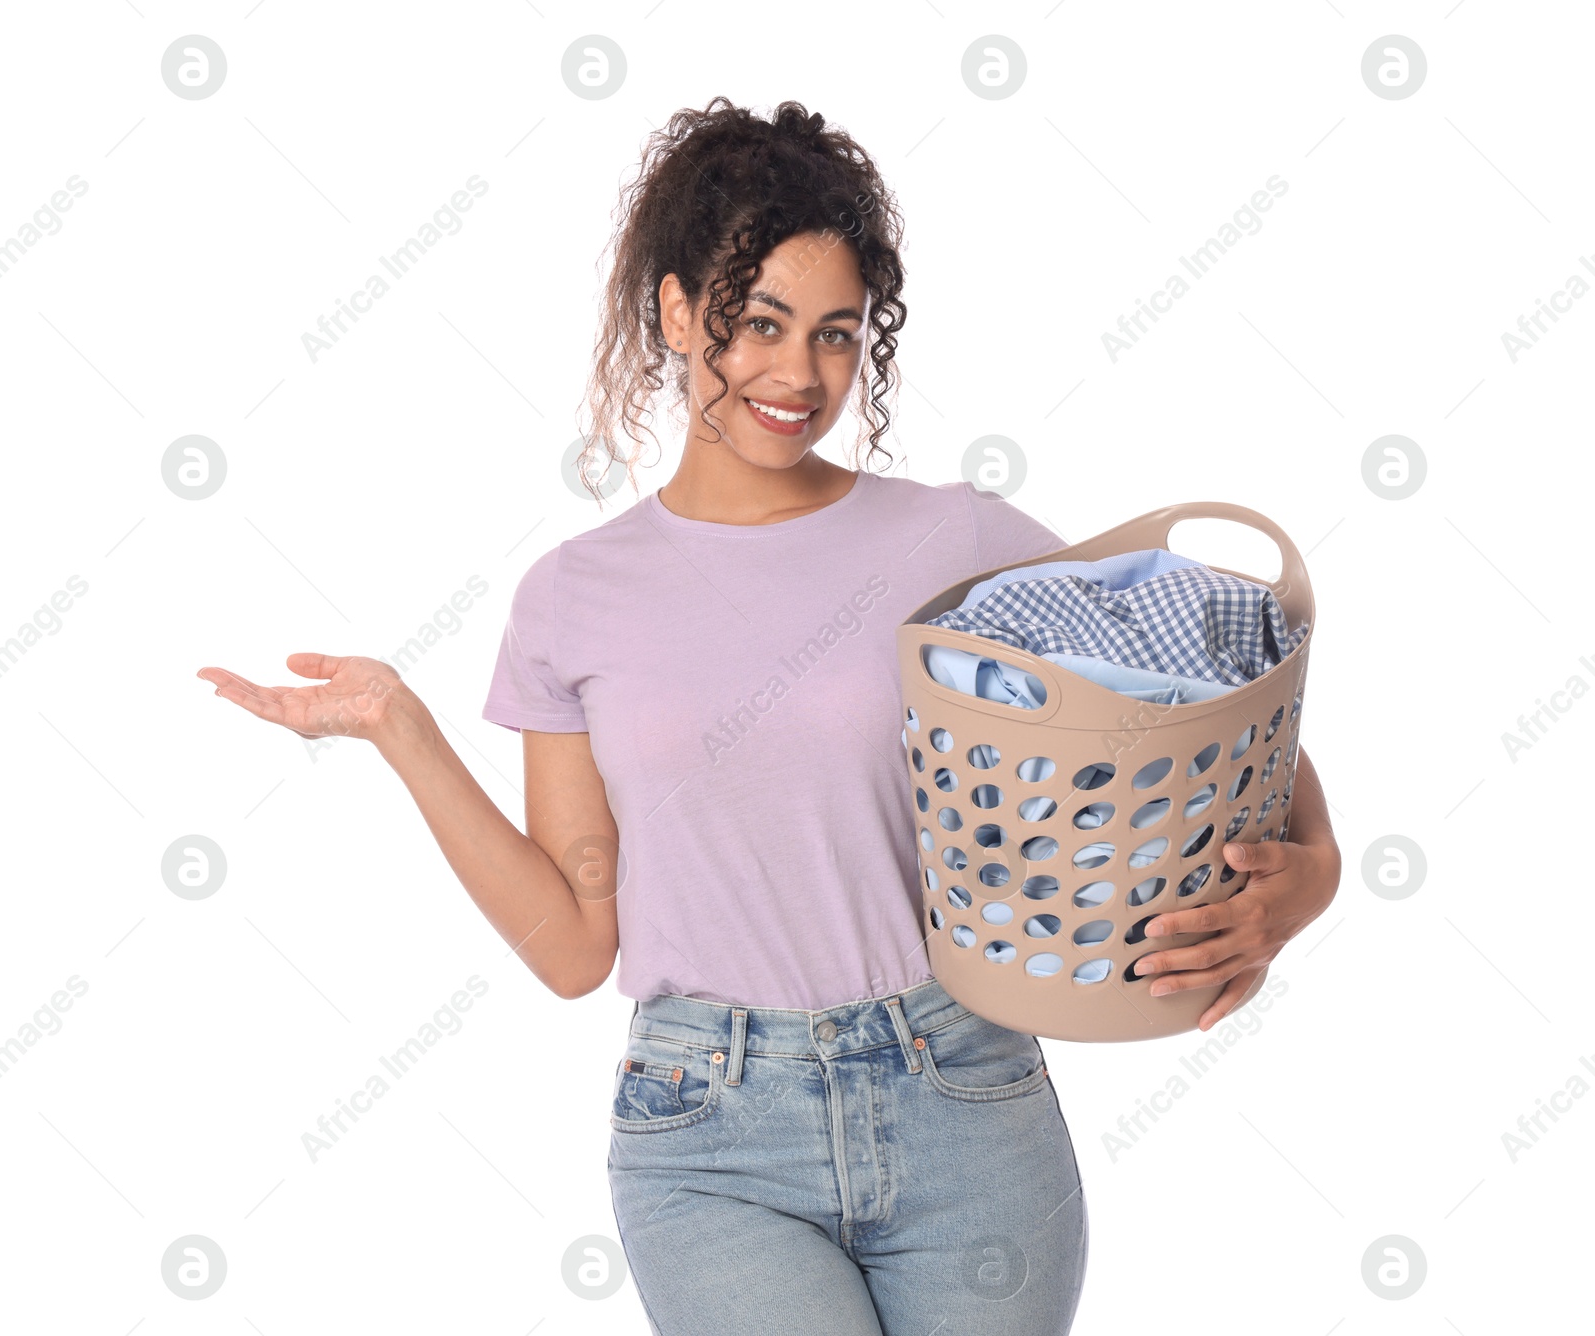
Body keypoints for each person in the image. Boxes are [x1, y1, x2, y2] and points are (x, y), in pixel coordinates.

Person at [197, 97, 1342, 1335]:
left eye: (838, 336)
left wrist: (1308, 877)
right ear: (682, 311)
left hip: (964, 1093)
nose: (801, 375)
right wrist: (402, 729)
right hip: (709, 1131)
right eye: (761, 325)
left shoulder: (955, 541)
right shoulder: (572, 600)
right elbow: (580, 945)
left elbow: (1212, 718)